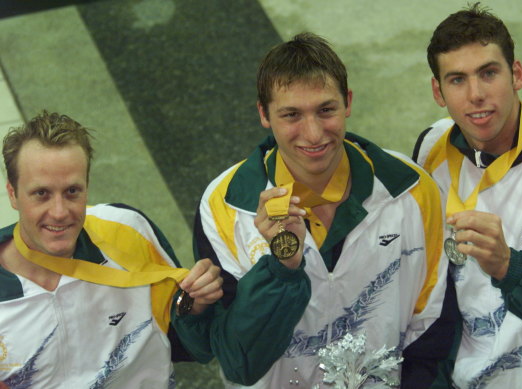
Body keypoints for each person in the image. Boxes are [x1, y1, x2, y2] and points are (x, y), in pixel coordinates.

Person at [192, 32, 457, 388]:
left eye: (325, 109)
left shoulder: (412, 190)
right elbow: (240, 362)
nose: (314, 133)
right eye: (291, 115)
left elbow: (434, 332)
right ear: (264, 114)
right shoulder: (224, 205)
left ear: (347, 102)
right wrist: (282, 267)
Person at [413, 3, 522, 388]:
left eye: (488, 73)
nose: (476, 95)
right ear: (438, 91)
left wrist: (509, 266)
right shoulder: (431, 148)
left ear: (517, 74)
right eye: (457, 80)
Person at [0, 111, 223, 388]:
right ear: (12, 194)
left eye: (72, 191)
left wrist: (196, 305)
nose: (59, 212)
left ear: (87, 188)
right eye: (41, 193)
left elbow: (192, 345)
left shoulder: (128, 231)